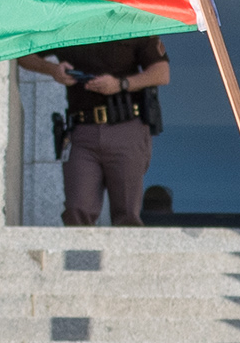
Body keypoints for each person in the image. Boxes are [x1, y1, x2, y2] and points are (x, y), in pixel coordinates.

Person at [28, 35, 169, 227]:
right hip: (82, 131)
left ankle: (124, 257)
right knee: (77, 210)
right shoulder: (68, 22)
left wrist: (120, 84)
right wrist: (53, 70)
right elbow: (23, 54)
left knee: (127, 213)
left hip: (125, 127)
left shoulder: (131, 21)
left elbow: (161, 73)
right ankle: (78, 257)